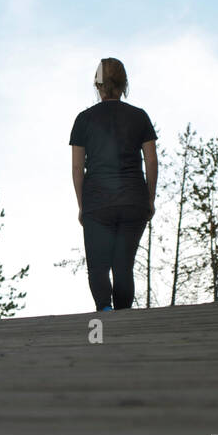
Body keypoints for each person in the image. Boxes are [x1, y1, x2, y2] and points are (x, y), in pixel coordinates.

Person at [69, 58, 157, 311]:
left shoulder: (84, 120)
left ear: (97, 85)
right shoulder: (140, 117)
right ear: (124, 84)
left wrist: (82, 205)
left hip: (97, 202)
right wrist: (149, 199)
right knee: (122, 266)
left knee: (98, 266)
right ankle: (122, 318)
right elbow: (151, 161)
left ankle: (105, 314)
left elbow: (77, 168)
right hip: (133, 200)